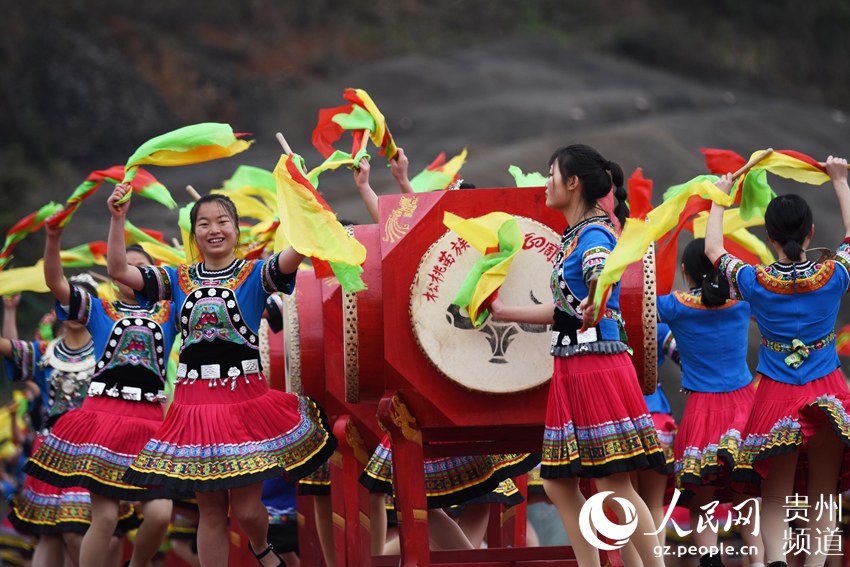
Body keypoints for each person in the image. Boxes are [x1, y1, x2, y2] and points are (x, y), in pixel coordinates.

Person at [106, 184, 337, 567]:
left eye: (223, 221)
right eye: (204, 223)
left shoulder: (256, 274)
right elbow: (117, 270)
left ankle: (261, 548)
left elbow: (298, 251)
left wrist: (307, 204)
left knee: (247, 512)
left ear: (236, 230)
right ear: (194, 233)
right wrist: (117, 218)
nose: (214, 229)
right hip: (194, 407)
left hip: (243, 403)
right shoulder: (175, 279)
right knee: (210, 512)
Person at [490, 144, 666, 566]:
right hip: (574, 365)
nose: (546, 181)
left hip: (594, 366)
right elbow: (565, 310)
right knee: (561, 486)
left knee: (614, 483)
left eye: (551, 173)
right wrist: (502, 311)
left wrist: (597, 299)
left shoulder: (593, 234)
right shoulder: (575, 235)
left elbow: (599, 270)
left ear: (573, 183)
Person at [704, 157, 850, 567]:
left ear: (768, 237)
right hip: (829, 391)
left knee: (774, 494)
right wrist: (839, 181)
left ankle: (776, 562)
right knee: (824, 492)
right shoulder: (834, 275)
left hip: (775, 396)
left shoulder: (754, 281)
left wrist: (721, 195)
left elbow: (714, 249)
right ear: (811, 233)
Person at [25, 223, 176, 567]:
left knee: (159, 514)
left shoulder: (170, 312)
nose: (131, 273)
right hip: (103, 420)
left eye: (140, 267)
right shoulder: (99, 310)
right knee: (105, 519)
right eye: (124, 265)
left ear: (152, 275)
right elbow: (56, 283)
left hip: (150, 423)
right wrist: (53, 239)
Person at [657, 238, 763, 567]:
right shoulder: (743, 304)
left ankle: (710, 561)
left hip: (703, 411)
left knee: (701, 497)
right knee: (747, 496)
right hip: (746, 409)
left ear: (685, 271)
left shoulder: (676, 306)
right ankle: (760, 562)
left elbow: (632, 307)